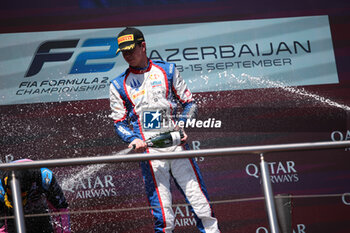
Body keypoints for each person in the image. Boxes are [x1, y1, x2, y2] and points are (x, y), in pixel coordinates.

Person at [109, 27, 220, 233]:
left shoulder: (167, 71)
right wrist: (132, 139)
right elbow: (119, 123)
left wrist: (182, 124)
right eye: (123, 52)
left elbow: (190, 103)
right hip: (150, 153)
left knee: (202, 206)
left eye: (131, 50)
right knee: (164, 216)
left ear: (143, 46)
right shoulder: (117, 85)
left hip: (176, 146)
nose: (127, 55)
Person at [0, 159, 71, 233]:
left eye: (21, 194)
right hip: (10, 211)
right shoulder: (0, 188)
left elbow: (60, 208)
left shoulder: (45, 177)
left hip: (38, 208)